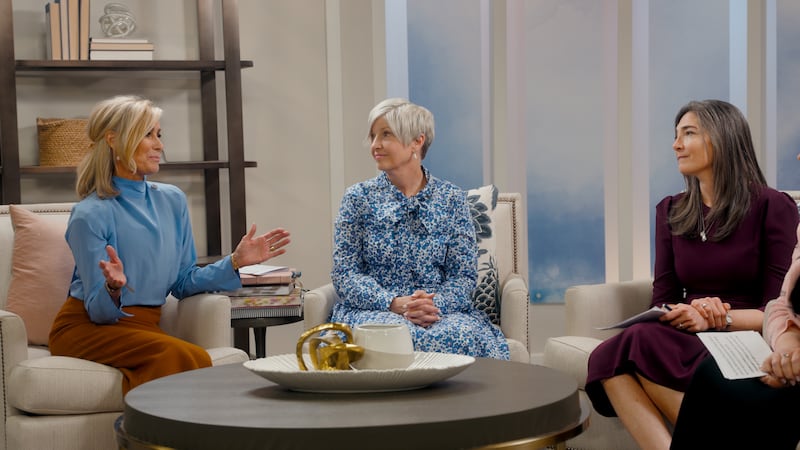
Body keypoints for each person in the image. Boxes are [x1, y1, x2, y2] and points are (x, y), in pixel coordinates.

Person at [584, 99, 799, 450]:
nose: (676, 145)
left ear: (722, 137)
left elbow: (779, 308)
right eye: (676, 135)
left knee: (629, 349)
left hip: (742, 331)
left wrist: (719, 318)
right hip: (688, 330)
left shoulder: (773, 206)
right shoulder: (670, 210)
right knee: (612, 352)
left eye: (688, 133)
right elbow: (663, 299)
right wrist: (686, 313)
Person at [48, 95, 291, 395]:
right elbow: (100, 313)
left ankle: (144, 436)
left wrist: (235, 262)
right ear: (113, 140)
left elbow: (183, 281)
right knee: (185, 356)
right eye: (148, 134)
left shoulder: (172, 200)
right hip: (86, 328)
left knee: (179, 358)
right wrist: (113, 288)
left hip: (146, 327)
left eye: (159, 135)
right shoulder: (89, 214)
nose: (160, 145)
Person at [329, 97, 509, 359]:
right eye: (373, 136)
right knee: (392, 336)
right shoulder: (358, 198)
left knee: (460, 335)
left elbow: (464, 276)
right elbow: (345, 273)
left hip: (440, 313)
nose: (375, 145)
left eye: (386, 134)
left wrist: (434, 305)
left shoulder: (451, 199)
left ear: (417, 141)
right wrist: (393, 303)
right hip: (376, 312)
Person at [671, 210, 800, 449]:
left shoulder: (771, 206)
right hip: (789, 355)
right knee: (711, 371)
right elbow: (780, 305)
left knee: (761, 403)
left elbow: (763, 305)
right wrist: (788, 343)